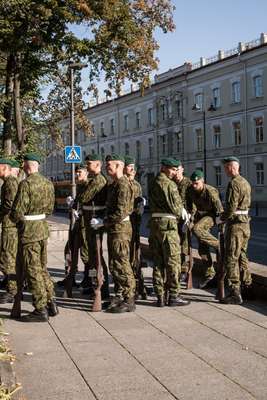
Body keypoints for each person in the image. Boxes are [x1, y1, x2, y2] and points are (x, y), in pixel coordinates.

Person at [10, 153, 57, 322]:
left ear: (27, 166)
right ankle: (51, 301)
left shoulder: (26, 184)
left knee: (32, 270)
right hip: (42, 229)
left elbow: (17, 211)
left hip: (29, 231)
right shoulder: (48, 183)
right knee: (42, 268)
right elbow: (51, 209)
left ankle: (40, 308)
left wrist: (17, 220)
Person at [149, 157, 190, 307]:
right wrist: (183, 213)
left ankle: (160, 296)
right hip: (168, 226)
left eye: (175, 169)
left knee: (158, 262)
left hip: (154, 225)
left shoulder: (153, 182)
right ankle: (174, 295)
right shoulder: (169, 184)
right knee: (173, 262)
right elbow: (176, 207)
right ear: (164, 168)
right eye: (172, 169)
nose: (174, 172)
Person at [102, 154, 135, 313]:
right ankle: (120, 294)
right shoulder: (114, 184)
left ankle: (129, 298)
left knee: (122, 262)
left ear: (119, 166)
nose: (107, 167)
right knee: (114, 264)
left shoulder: (123, 184)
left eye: (110, 165)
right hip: (114, 229)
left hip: (121, 228)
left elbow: (121, 212)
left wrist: (104, 222)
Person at [219, 156, 252, 304]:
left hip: (236, 225)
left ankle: (235, 292)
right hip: (245, 224)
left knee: (231, 257)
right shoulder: (245, 182)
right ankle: (247, 286)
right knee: (243, 256)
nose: (225, 170)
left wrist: (222, 218)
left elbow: (231, 207)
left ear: (232, 167)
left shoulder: (233, 184)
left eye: (226, 167)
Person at [77, 154, 109, 299]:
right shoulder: (93, 180)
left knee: (97, 256)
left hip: (95, 220)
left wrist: (77, 199)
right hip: (89, 219)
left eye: (89, 163)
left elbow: (84, 197)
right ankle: (92, 282)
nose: (87, 166)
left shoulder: (99, 180)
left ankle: (103, 286)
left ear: (97, 164)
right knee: (91, 257)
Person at [187, 170, 223, 289]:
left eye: (196, 183)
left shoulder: (211, 191)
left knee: (197, 229)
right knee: (202, 247)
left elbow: (219, 210)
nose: (194, 185)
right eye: (193, 183)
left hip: (211, 215)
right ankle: (209, 274)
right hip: (199, 215)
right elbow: (191, 208)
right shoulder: (191, 190)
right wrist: (189, 220)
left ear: (202, 181)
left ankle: (219, 245)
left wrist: (221, 225)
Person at [57, 163, 89, 288]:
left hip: (85, 226)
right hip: (77, 224)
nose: (77, 174)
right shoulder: (81, 187)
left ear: (86, 173)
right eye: (76, 172)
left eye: (79, 172)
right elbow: (78, 204)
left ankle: (89, 280)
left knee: (86, 255)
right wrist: (73, 205)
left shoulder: (89, 185)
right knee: (69, 250)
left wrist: (77, 209)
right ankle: (70, 277)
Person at [124, 156, 147, 299]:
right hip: (126, 225)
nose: (132, 169)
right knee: (126, 256)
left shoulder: (137, 185)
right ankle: (129, 286)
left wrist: (141, 205)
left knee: (136, 256)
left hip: (136, 224)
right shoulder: (122, 183)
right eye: (129, 166)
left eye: (133, 166)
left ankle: (139, 285)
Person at [0, 158, 19, 303]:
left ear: (5, 168)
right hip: (9, 225)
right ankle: (9, 283)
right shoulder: (7, 182)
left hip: (10, 226)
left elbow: (9, 204)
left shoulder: (10, 182)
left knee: (8, 258)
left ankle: (13, 291)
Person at [173, 161, 192, 282]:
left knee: (185, 245)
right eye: (174, 170)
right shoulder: (172, 183)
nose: (176, 172)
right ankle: (177, 269)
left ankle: (184, 270)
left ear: (182, 170)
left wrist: (190, 215)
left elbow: (193, 201)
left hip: (186, 218)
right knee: (175, 245)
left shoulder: (188, 183)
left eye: (178, 169)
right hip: (175, 218)